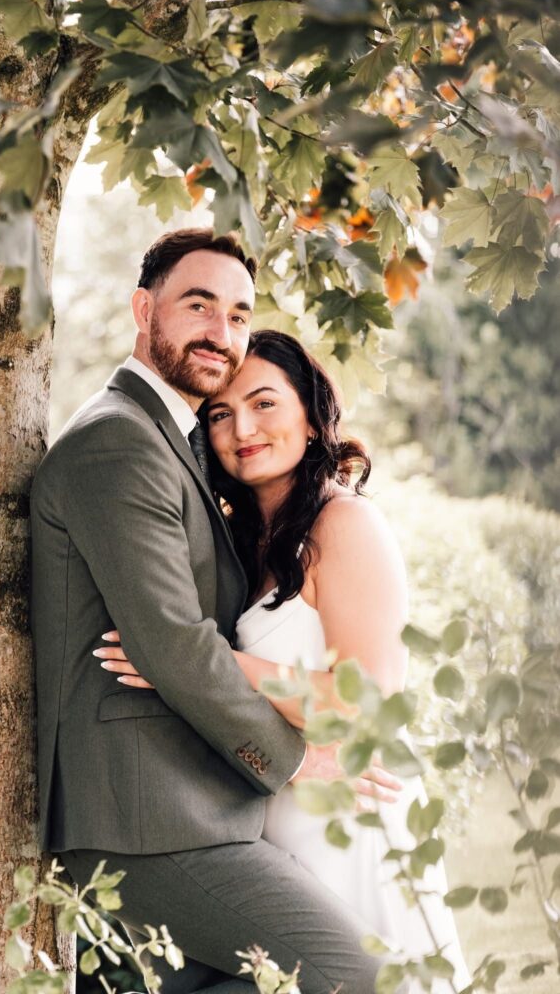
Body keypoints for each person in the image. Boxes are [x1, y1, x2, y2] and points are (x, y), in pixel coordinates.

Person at [30, 229, 385, 994]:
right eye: (198, 306)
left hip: (186, 801)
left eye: (238, 314)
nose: (221, 331)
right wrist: (299, 761)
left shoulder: (171, 441)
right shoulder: (118, 442)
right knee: (349, 975)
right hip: (144, 816)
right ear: (143, 310)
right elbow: (175, 647)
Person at [97, 330, 472, 993]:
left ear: (311, 414)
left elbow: (366, 701)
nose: (242, 428)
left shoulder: (345, 524)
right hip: (277, 813)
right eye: (220, 413)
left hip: (353, 814)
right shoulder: (242, 543)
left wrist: (187, 661)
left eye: (264, 403)